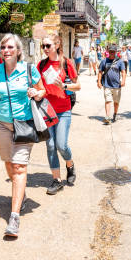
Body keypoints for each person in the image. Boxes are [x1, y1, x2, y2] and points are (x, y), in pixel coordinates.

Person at [0, 33, 46, 238]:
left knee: (18, 166)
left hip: (24, 124)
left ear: (18, 51)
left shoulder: (29, 69)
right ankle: (21, 193)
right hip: (0, 125)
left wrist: (36, 93)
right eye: (3, 48)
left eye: (10, 47)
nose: (6, 51)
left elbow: (43, 90)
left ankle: (14, 217)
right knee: (8, 163)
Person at [38, 33, 80, 195]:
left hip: (63, 110)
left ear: (56, 45)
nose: (45, 49)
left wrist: (64, 86)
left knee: (61, 145)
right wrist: (36, 91)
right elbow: (38, 84)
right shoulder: (41, 65)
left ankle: (70, 164)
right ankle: (56, 180)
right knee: (50, 145)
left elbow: (78, 85)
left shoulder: (66, 63)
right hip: (47, 110)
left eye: (48, 45)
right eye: (43, 46)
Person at [97, 45, 126, 124]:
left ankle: (115, 114)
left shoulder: (120, 61)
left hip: (117, 85)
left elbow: (123, 72)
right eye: (110, 52)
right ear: (108, 52)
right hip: (107, 85)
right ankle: (107, 117)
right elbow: (100, 72)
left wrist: (123, 80)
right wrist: (99, 82)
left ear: (116, 52)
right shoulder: (104, 61)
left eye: (113, 52)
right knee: (108, 100)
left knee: (116, 102)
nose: (112, 53)